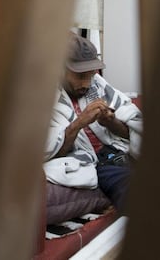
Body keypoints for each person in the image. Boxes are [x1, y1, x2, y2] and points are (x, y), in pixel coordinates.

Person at [43, 33, 142, 211]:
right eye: (80, 76)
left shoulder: (97, 84)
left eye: (91, 75)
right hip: (99, 163)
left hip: (121, 152)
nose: (87, 83)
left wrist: (111, 122)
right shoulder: (44, 98)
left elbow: (131, 129)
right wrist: (79, 122)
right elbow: (52, 151)